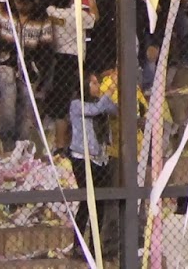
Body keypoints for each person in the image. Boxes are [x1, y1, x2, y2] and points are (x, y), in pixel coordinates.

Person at [68, 70, 118, 249]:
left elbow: (114, 110)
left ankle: (94, 246)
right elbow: (94, 110)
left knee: (100, 202)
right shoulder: (76, 104)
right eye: (94, 83)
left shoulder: (101, 102)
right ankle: (78, 245)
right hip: (83, 159)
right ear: (85, 86)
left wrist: (109, 96)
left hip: (101, 158)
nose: (98, 86)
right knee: (86, 201)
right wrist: (109, 92)